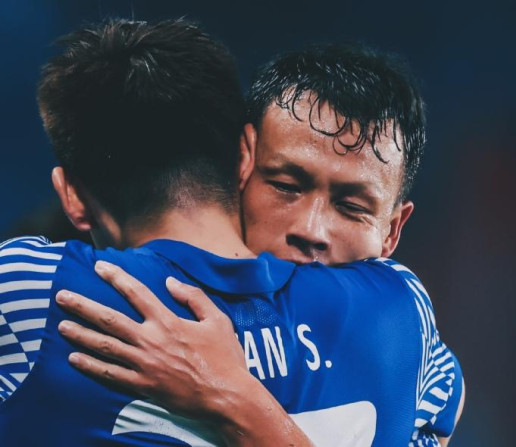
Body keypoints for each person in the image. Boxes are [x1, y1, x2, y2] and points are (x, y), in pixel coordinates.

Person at [0, 18, 462, 446]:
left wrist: (235, 397)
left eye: (352, 207)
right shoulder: (403, 311)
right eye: (286, 185)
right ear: (246, 158)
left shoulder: (40, 294)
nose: (311, 229)